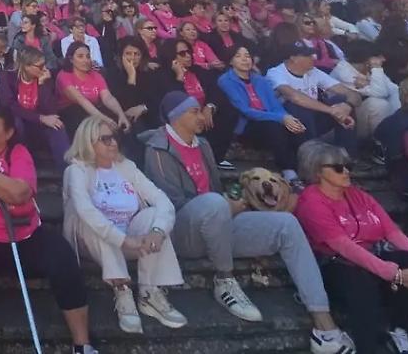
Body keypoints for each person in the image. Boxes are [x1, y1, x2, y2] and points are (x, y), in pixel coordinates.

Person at [144, 92, 355, 354]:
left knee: (286, 224)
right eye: (195, 111)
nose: (201, 116)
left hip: (218, 221)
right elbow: (170, 204)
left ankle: (324, 325)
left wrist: (233, 203)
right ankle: (224, 281)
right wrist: (223, 205)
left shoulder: (203, 145)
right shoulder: (158, 149)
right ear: (177, 117)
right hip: (184, 232)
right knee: (214, 203)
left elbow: (216, 189)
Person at [0, 103, 96, 354]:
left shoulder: (18, 153)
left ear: (7, 133)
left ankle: (82, 343)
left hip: (20, 234)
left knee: (62, 256)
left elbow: (20, 194)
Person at [294, 140, 408, 354]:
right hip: (336, 265)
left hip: (373, 259)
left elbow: (392, 232)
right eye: (338, 168)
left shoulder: (358, 195)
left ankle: (398, 329)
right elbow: (344, 247)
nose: (346, 171)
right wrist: (394, 274)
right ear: (318, 172)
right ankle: (369, 346)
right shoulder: (311, 202)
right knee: (360, 280)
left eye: (348, 166)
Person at [63, 117, 186, 334]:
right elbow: (85, 210)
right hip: (91, 242)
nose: (113, 143)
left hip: (130, 239)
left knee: (153, 215)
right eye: (105, 139)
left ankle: (150, 292)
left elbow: (162, 200)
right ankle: (121, 289)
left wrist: (157, 231)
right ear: (88, 142)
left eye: (114, 137)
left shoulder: (126, 167)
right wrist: (124, 240)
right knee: (91, 218)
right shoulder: (77, 170)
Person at [217, 46, 305, 181]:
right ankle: (288, 170)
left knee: (296, 126)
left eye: (247, 56)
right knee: (274, 127)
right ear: (231, 61)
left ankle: (304, 166)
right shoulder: (226, 80)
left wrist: (289, 118)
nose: (244, 59)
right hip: (248, 124)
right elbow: (245, 110)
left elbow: (275, 105)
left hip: (270, 118)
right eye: (238, 56)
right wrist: (281, 118)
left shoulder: (260, 80)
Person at [266, 42, 360, 154]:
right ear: (293, 58)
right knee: (296, 107)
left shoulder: (313, 71)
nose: (313, 58)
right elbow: (295, 97)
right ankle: (311, 158)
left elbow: (353, 95)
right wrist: (332, 111)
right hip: (287, 124)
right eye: (308, 55)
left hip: (313, 119)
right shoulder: (276, 73)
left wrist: (346, 107)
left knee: (341, 100)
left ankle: (347, 157)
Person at [0, 45, 70, 165]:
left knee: (58, 126)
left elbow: (52, 110)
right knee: (17, 122)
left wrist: (42, 84)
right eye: (40, 66)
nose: (44, 69)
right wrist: (40, 118)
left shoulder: (45, 77)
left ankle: (68, 172)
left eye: (44, 64)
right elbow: (9, 106)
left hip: (38, 125)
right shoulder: (8, 76)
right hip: (19, 123)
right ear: (26, 66)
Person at [56, 41, 130, 137]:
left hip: (93, 109)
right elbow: (81, 100)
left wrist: (121, 115)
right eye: (80, 56)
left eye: (88, 56)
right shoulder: (64, 76)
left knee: (119, 119)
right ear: (71, 59)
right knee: (83, 117)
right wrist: (104, 119)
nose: (85, 60)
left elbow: (107, 97)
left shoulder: (96, 75)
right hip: (72, 113)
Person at [329, 41, 399, 139]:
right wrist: (376, 69)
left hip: (357, 116)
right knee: (378, 104)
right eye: (378, 56)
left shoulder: (367, 69)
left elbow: (394, 89)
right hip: (342, 123)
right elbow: (381, 92)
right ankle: (380, 143)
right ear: (366, 60)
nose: (383, 59)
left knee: (390, 96)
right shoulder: (343, 72)